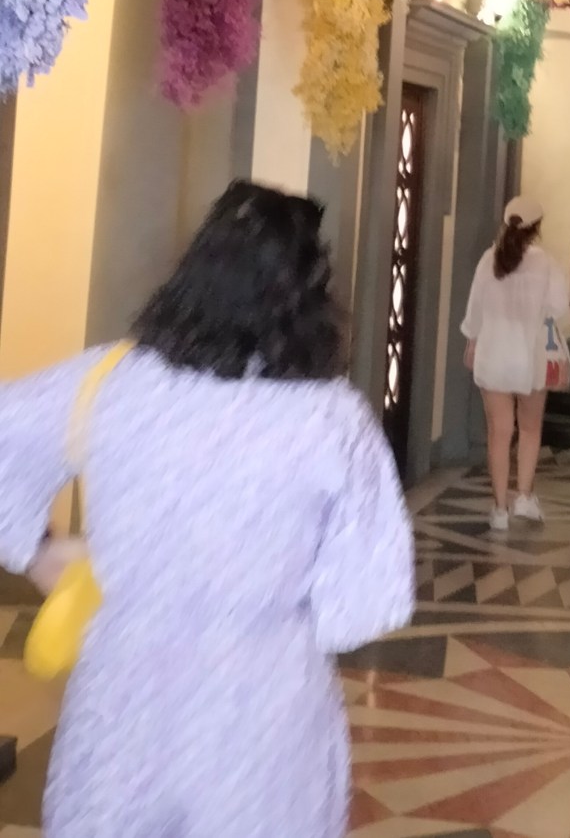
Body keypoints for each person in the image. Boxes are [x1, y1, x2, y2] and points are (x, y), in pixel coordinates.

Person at [0, 180, 413, 838]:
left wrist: (45, 550)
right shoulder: (331, 420)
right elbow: (365, 600)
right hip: (263, 712)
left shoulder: (111, 380)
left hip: (123, 693)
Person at [462, 196, 568, 530]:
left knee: (499, 433)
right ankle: (524, 496)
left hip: (493, 352)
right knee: (530, 428)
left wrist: (472, 341)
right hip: (531, 354)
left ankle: (499, 509)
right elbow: (558, 310)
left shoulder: (487, 261)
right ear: (537, 228)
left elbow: (475, 309)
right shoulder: (546, 264)